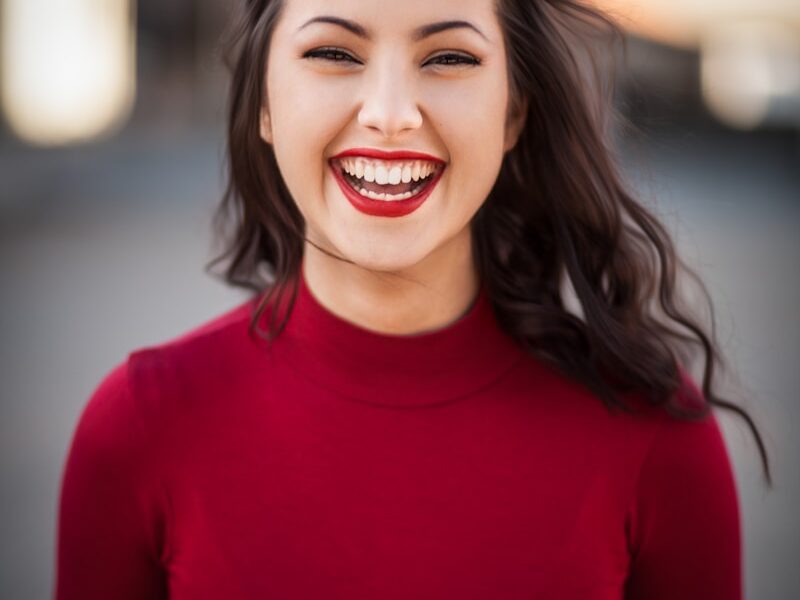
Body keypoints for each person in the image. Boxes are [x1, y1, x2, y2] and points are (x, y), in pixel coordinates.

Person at [55, 0, 771, 598]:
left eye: (449, 58)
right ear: (263, 105)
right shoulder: (139, 430)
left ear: (514, 112)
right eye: (334, 53)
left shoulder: (656, 436)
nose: (391, 115)